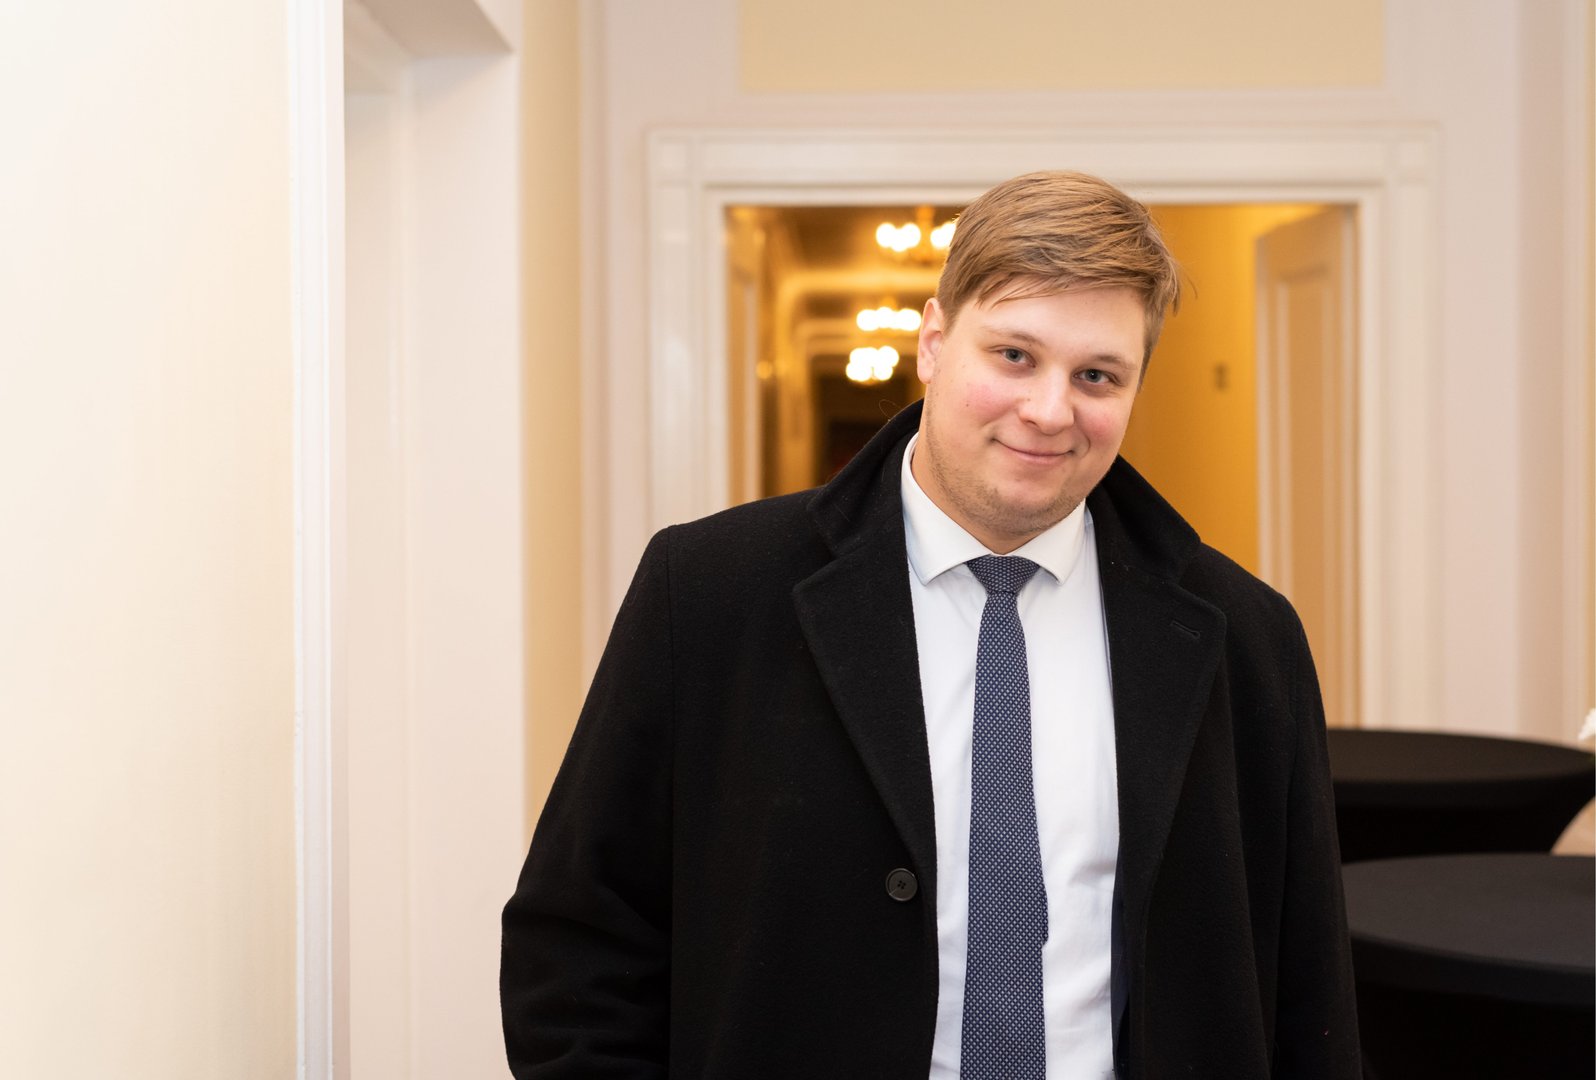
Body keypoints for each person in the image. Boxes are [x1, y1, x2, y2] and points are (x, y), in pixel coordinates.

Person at [501, 171, 1359, 1079]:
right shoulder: (712, 593)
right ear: (934, 342)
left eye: (1097, 375)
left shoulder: (1246, 638)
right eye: (1015, 355)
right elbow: (581, 943)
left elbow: (1307, 989)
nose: (1050, 411)